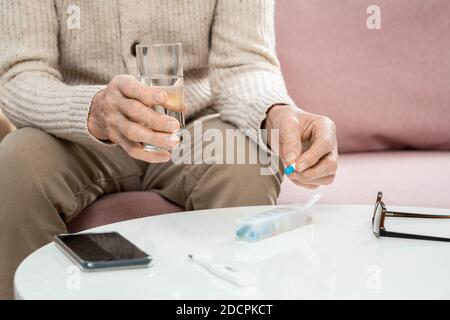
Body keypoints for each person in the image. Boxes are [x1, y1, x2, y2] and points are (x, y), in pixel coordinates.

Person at [0, 0, 338, 299]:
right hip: (75, 125)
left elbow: (243, 65)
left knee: (246, 162)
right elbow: (19, 74)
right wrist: (95, 110)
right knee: (15, 165)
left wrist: (275, 113)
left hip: (197, 126)